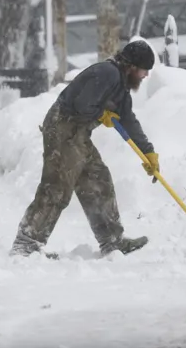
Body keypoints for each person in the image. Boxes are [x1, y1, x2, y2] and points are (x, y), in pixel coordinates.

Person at [10, 40, 159, 258]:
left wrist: (148, 152)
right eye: (144, 70)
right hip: (62, 127)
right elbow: (82, 104)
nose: (145, 76)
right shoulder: (107, 73)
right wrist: (102, 114)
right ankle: (27, 244)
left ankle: (112, 241)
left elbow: (127, 119)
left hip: (78, 133)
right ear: (132, 66)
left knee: (98, 180)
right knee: (57, 186)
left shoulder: (121, 86)